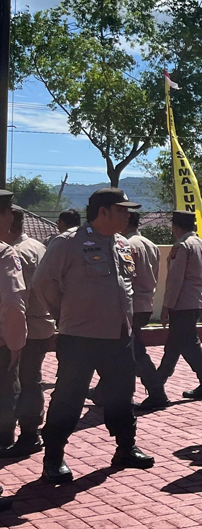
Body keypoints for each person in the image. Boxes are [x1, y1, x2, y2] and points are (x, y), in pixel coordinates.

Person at [34, 188, 152, 483]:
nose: (128, 215)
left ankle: (125, 448)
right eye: (122, 210)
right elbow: (44, 283)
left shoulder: (123, 244)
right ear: (103, 212)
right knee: (69, 398)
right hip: (80, 337)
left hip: (118, 336)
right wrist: (64, 313)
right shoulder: (67, 242)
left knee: (122, 395)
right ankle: (54, 457)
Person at [0, 208, 54, 458]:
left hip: (25, 326)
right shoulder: (38, 247)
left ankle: (26, 434)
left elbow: (15, 301)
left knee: (22, 382)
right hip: (39, 322)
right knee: (31, 379)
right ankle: (28, 432)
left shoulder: (16, 252)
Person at [157, 211, 202, 399]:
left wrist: (167, 306)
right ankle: (157, 383)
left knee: (188, 344)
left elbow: (175, 279)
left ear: (176, 227)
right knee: (175, 344)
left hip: (182, 302)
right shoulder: (201, 244)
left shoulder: (182, 246)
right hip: (196, 299)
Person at [124, 211, 169, 413]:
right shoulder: (150, 244)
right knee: (126, 349)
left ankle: (157, 392)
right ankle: (102, 391)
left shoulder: (126, 245)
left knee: (134, 351)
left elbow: (126, 277)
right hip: (146, 302)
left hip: (131, 304)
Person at [0, 194, 28, 468]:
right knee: (5, 398)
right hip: (1, 345)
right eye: (9, 212)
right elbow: (11, 303)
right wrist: (16, 343)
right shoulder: (6, 253)